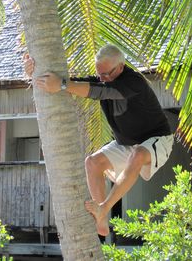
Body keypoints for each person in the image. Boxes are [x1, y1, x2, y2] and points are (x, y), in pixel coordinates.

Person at [24, 44, 174, 236]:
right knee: (93, 163)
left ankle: (103, 207)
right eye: (99, 74)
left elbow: (100, 91)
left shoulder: (133, 82)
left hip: (157, 140)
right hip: (128, 143)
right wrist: (34, 72)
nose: (102, 78)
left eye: (106, 74)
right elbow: (76, 82)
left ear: (120, 66)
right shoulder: (105, 77)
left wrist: (62, 85)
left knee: (137, 155)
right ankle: (102, 220)